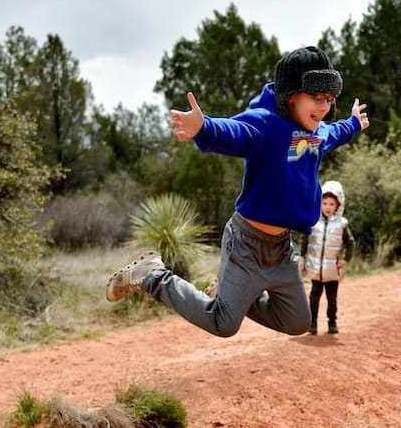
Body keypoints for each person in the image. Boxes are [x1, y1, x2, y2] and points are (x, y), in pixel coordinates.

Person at [106, 46, 370, 338]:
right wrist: (203, 128)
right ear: (292, 95)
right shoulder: (265, 125)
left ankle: (234, 294)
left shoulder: (315, 134)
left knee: (297, 321)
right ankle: (153, 276)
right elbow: (234, 132)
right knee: (224, 324)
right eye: (317, 98)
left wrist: (354, 123)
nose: (323, 107)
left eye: (329, 100)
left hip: (281, 248)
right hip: (246, 243)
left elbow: (335, 133)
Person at [298, 180, 355, 335]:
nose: (328, 207)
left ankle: (332, 322)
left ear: (338, 205)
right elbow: (305, 240)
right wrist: (302, 258)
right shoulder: (313, 221)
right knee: (314, 296)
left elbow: (350, 243)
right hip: (316, 268)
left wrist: (345, 259)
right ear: (319, 203)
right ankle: (312, 323)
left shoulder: (342, 224)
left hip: (332, 270)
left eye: (331, 204)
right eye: (325, 203)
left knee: (332, 299)